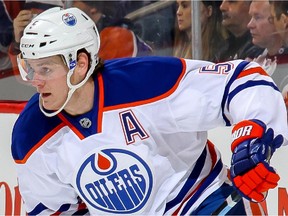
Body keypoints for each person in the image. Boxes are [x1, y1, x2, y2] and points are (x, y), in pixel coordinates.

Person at [12, 7, 288, 215]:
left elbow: (243, 80)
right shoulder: (31, 133)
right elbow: (53, 209)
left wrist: (253, 140)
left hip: (202, 202)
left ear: (80, 64)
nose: (35, 80)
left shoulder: (147, 82)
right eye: (31, 68)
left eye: (45, 69)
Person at [72, 0, 153, 60]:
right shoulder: (96, 33)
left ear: (93, 8)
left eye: (74, 2)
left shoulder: (116, 36)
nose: (69, 7)